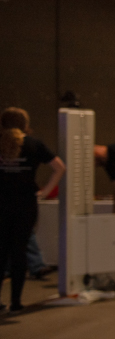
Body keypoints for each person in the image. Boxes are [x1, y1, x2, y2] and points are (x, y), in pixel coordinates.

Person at [0, 107, 65, 313]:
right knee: (19, 251)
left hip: (2, 204)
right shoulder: (34, 144)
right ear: (25, 124)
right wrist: (44, 192)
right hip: (25, 204)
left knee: (2, 251)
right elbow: (59, 167)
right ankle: (16, 302)